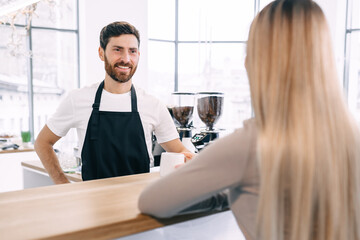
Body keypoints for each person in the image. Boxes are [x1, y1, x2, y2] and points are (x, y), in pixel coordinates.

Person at [138, 1, 360, 239]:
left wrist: (222, 188)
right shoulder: (350, 135)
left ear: (258, 62)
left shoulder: (251, 143)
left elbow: (151, 201)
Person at [35, 21, 193, 183]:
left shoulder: (153, 105)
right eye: (117, 50)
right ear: (101, 53)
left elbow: (179, 150)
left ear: (138, 55)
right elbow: (42, 142)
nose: (126, 59)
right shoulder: (78, 99)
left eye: (132, 51)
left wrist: (198, 163)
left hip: (139, 200)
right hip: (92, 202)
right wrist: (63, 184)